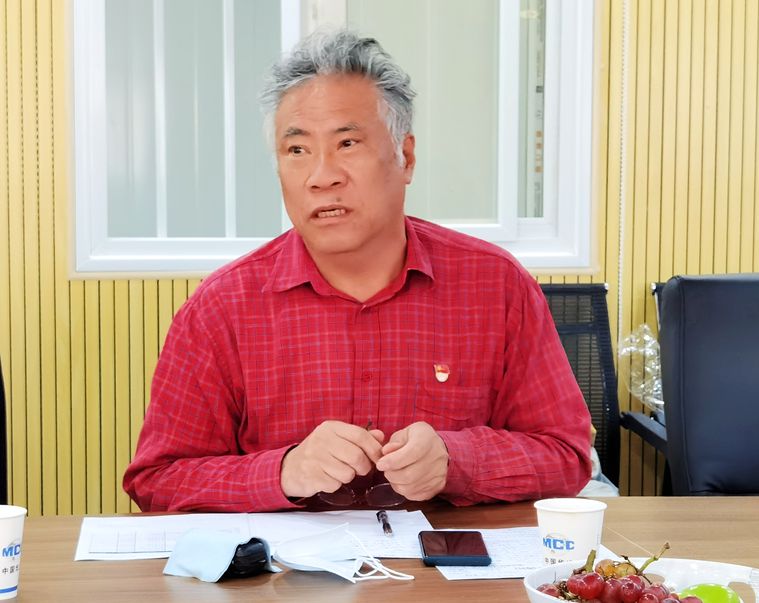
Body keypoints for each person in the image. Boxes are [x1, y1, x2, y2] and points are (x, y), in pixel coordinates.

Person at [123, 29, 592, 512]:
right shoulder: (222, 306)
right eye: (297, 151)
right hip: (285, 564)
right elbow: (158, 481)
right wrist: (283, 471)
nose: (321, 176)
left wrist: (457, 461)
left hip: (441, 561)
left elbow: (567, 456)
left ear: (406, 157)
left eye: (347, 143)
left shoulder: (496, 284)